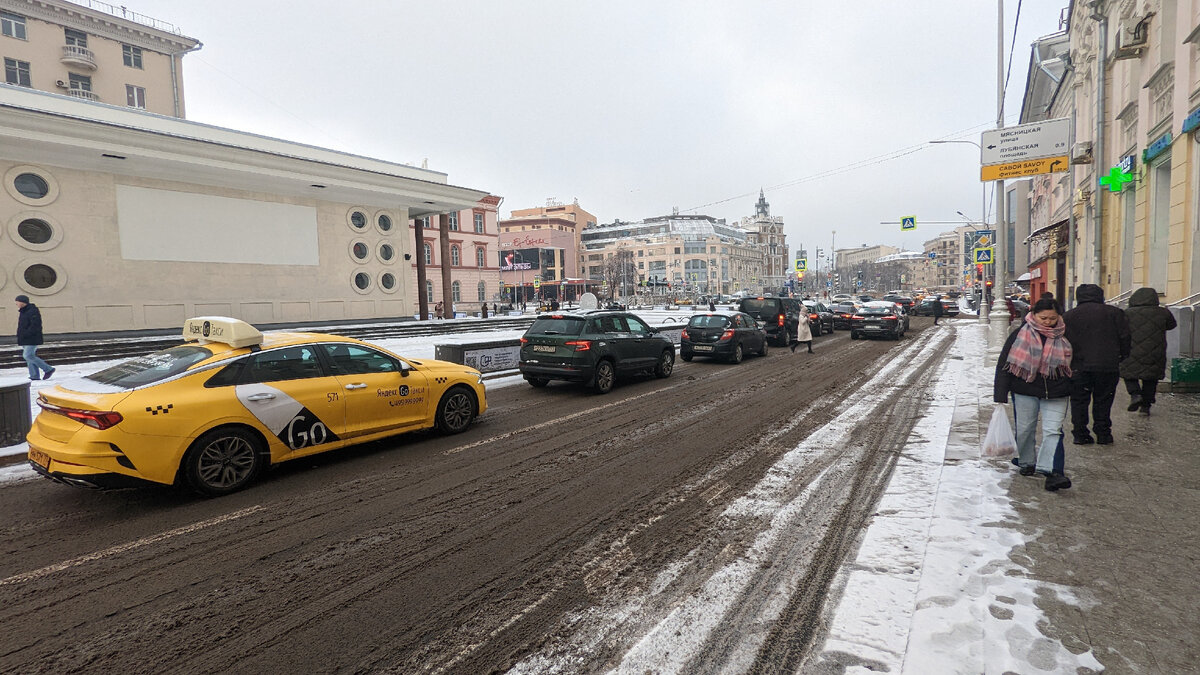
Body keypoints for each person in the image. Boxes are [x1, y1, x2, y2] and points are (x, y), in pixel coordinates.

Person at [994, 297, 1073, 491]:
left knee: (1053, 431)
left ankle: (1051, 471)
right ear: (1034, 315)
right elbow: (1005, 364)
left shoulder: (1066, 334)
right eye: (1043, 318)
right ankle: (1027, 462)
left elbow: (1078, 360)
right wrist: (1000, 394)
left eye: (1052, 318)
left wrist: (1074, 381)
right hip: (1025, 390)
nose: (1047, 322)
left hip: (1057, 391)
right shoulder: (1019, 334)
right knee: (1025, 429)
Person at [1062, 284, 1131, 445]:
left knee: (1079, 400)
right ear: (1101, 296)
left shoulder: (1069, 316)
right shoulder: (1115, 313)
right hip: (1107, 366)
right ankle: (1103, 433)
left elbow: (1063, 342)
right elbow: (1125, 336)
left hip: (1078, 366)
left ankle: (1080, 433)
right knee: (1104, 399)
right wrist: (1122, 356)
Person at [1119, 287, 1178, 415]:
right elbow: (1172, 325)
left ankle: (1135, 394)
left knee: (1128, 373)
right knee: (1151, 378)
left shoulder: (1127, 313)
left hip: (1132, 350)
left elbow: (1121, 329)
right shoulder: (1163, 312)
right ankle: (1146, 406)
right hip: (1156, 351)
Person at [15, 295, 54, 381]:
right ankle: (34, 375)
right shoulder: (23, 311)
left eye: (17, 301)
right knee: (30, 357)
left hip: (32, 338)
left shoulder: (32, 311)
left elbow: (35, 325)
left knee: (28, 355)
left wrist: (26, 334)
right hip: (25, 338)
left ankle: (48, 369)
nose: (16, 303)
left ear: (22, 302)